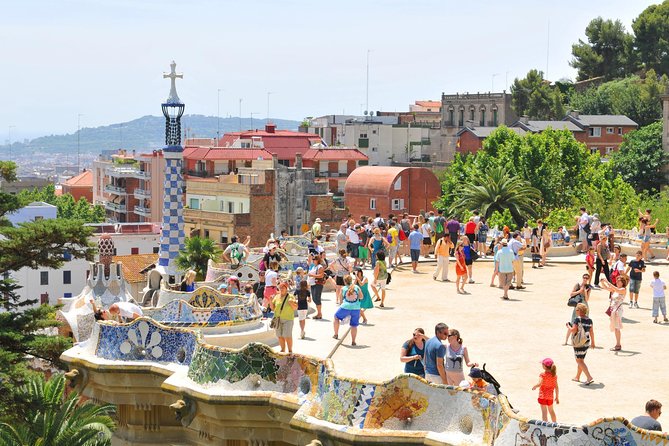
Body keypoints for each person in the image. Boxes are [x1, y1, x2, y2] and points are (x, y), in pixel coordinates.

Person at [567, 303, 595, 384]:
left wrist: (568, 326)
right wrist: (593, 342)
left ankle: (589, 377)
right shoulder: (589, 320)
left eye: (576, 309)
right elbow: (591, 332)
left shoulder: (577, 319)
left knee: (579, 361)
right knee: (581, 360)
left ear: (580, 311)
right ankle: (577, 377)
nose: (576, 311)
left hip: (579, 343)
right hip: (586, 342)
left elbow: (573, 330)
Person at [600, 275, 628, 351]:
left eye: (619, 281)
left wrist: (607, 281)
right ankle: (617, 344)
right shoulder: (616, 289)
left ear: (623, 282)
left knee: (617, 328)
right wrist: (602, 282)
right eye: (617, 280)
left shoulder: (623, 289)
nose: (618, 282)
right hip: (613, 309)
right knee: (616, 327)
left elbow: (615, 289)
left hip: (618, 310)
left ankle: (618, 345)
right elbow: (606, 288)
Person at [333, 275, 361, 346]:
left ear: (344, 281)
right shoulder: (357, 287)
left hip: (345, 307)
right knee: (354, 325)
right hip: (356, 308)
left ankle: (336, 334)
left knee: (336, 317)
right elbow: (361, 296)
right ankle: (353, 341)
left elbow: (341, 300)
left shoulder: (343, 288)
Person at [270, 281, 298, 353]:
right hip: (278, 319)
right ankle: (282, 350)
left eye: (283, 287)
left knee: (287, 336)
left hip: (288, 319)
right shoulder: (276, 297)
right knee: (279, 336)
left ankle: (290, 351)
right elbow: (273, 308)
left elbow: (295, 308)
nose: (281, 289)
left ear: (286, 288)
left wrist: (291, 303)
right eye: (280, 288)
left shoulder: (290, 297)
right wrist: (270, 301)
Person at [564, 274, 592, 345]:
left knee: (584, 324)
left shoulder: (588, 287)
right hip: (578, 306)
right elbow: (571, 294)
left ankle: (582, 340)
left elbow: (587, 299)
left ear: (588, 279)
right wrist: (580, 291)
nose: (585, 279)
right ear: (582, 278)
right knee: (573, 322)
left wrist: (585, 292)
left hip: (584, 306)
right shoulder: (577, 285)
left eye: (587, 278)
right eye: (584, 278)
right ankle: (566, 341)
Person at [532, 358, 559, 422]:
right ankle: (554, 424)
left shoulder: (542, 375)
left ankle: (545, 425)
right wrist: (557, 397)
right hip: (550, 397)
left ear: (544, 366)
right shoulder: (554, 376)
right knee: (551, 411)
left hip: (543, 396)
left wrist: (535, 386)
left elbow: (539, 384)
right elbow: (556, 387)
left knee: (544, 412)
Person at [307, 255, 325, 319]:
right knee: (315, 299)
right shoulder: (314, 266)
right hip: (313, 284)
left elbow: (321, 275)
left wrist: (312, 275)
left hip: (317, 284)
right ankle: (319, 313)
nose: (313, 260)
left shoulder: (320, 267)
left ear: (318, 260)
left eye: (314, 259)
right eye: (313, 259)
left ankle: (319, 313)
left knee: (317, 299)